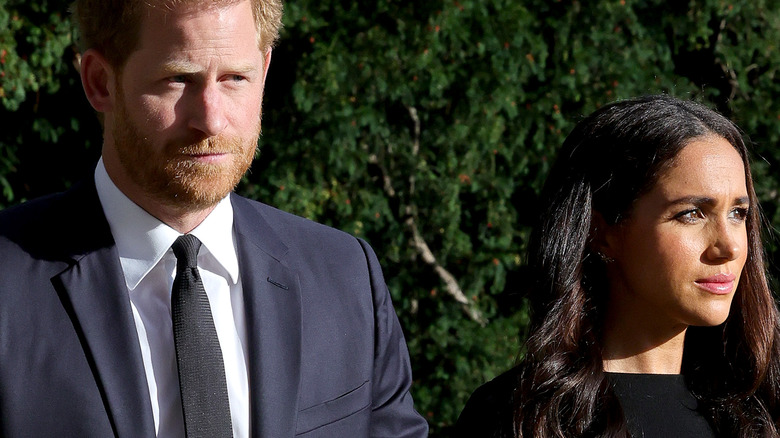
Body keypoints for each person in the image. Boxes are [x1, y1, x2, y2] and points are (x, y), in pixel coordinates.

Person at [0, 0, 428, 437]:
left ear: (264, 70)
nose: (211, 119)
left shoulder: (345, 277)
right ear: (99, 82)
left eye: (235, 78)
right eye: (177, 79)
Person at [456, 95, 780, 437]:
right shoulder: (521, 416)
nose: (728, 246)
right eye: (691, 214)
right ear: (602, 232)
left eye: (738, 213)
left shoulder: (763, 408)